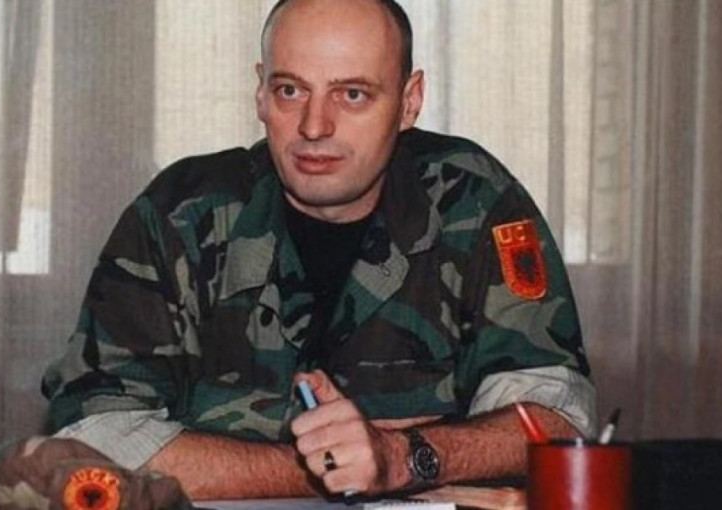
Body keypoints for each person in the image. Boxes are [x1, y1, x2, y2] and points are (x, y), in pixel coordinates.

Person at [36, 0, 595, 501]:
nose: (314, 125)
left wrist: (402, 458)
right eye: (291, 90)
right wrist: (333, 469)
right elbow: (91, 435)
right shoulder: (181, 213)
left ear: (409, 102)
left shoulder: (473, 202)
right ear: (260, 92)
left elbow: (556, 416)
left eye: (352, 94)